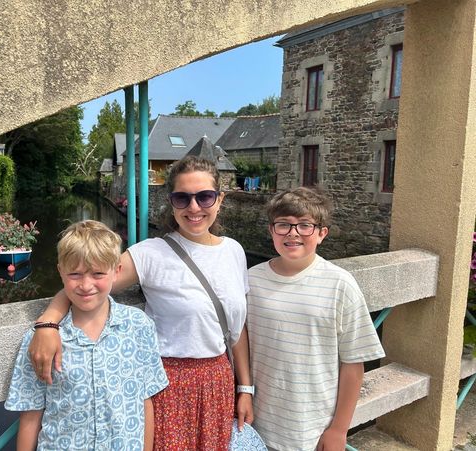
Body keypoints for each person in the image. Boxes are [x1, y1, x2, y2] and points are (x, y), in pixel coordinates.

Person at [29, 156, 254, 450]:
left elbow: (237, 328)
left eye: (205, 197)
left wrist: (245, 387)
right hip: (167, 384)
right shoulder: (151, 253)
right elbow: (89, 285)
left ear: (219, 200)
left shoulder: (234, 251)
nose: (194, 207)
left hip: (218, 382)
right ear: (171, 202)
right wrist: (48, 323)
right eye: (182, 198)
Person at [4, 220, 169, 451]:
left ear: (117, 271)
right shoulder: (41, 339)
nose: (86, 284)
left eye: (98, 273)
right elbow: (31, 413)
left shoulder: (138, 326)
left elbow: (145, 401)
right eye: (75, 274)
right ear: (60, 272)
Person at [246, 187, 385, 451]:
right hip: (258, 423)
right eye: (283, 225)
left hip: (312, 428)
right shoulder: (252, 280)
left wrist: (339, 428)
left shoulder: (340, 284)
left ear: (322, 234)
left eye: (305, 225)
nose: (293, 233)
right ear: (271, 230)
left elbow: (353, 364)